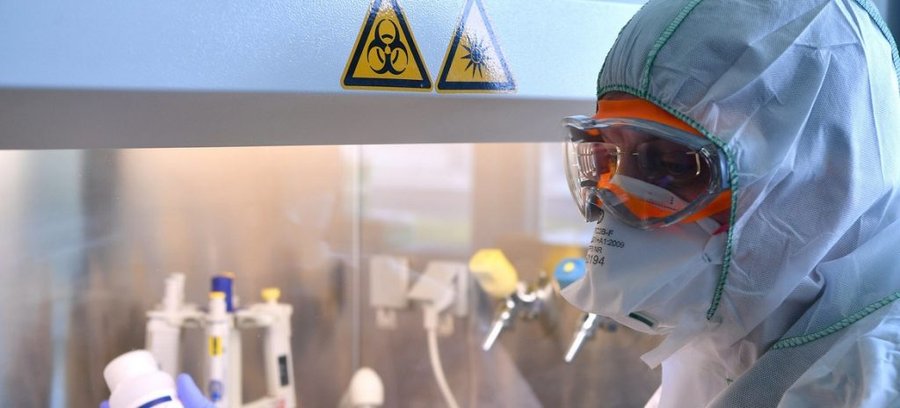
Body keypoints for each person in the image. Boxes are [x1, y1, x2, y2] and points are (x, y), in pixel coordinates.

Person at [559, 0, 900, 407]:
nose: (618, 200)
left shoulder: (872, 382)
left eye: (673, 164)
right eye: (607, 159)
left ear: (820, 177)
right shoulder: (730, 330)